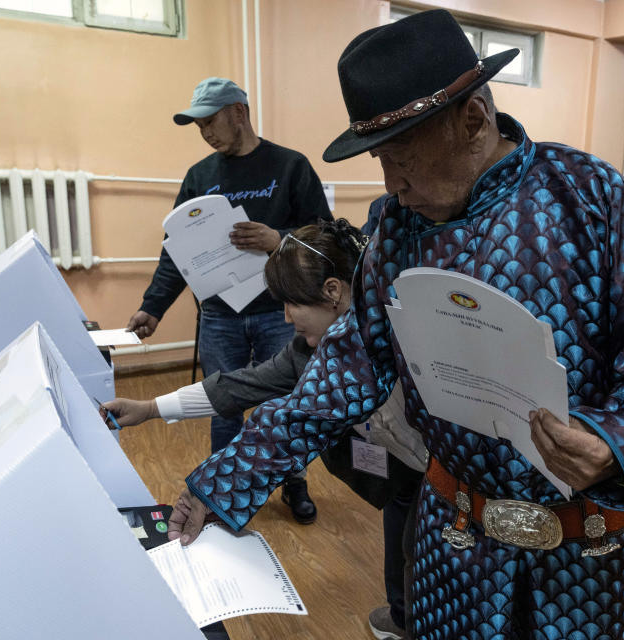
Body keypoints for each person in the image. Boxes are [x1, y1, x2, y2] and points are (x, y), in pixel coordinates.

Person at [165, 11, 624, 640]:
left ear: (473, 120)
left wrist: (615, 442)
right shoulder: (396, 228)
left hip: (582, 556)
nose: (391, 187)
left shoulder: (589, 197)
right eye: (379, 162)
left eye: (402, 159)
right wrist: (225, 481)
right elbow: (348, 367)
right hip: (454, 550)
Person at [108, 219, 426, 638]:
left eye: (293, 302)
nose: (286, 316)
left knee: (424, 555)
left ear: (332, 292)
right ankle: (402, 616)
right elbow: (241, 386)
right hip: (399, 471)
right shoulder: (305, 353)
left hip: (442, 473)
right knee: (401, 536)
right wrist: (150, 407)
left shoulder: (406, 333)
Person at [126, 77, 332, 524]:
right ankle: (222, 491)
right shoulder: (200, 176)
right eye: (198, 127)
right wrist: (153, 306)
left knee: (289, 405)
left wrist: (279, 239)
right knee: (224, 403)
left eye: (210, 122)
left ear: (239, 112)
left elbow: (327, 237)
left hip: (281, 311)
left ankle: (293, 484)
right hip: (220, 316)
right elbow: (175, 251)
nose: (206, 134)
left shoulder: (289, 166)